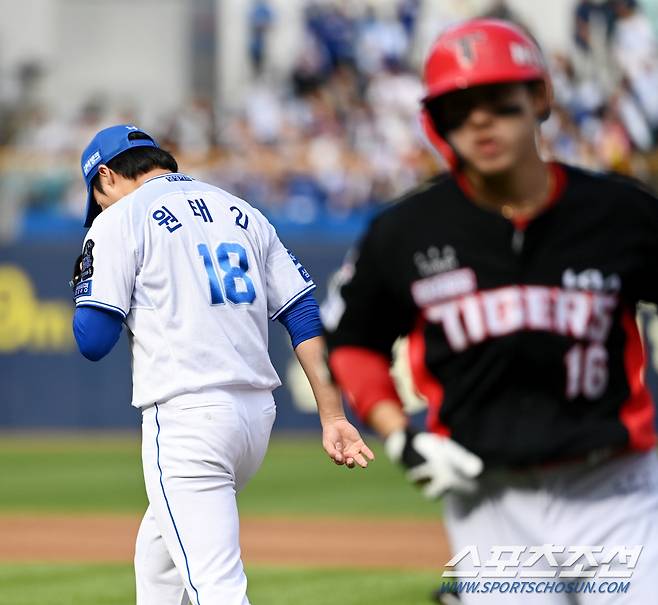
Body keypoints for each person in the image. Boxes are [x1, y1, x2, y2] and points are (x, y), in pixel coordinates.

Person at [325, 19, 658, 604]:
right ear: (436, 121)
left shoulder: (618, 213)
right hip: (489, 497)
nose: (479, 120)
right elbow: (353, 343)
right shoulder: (406, 232)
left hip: (617, 486)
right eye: (458, 107)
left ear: (540, 98)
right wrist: (400, 436)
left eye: (498, 101)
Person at [70, 124, 373, 605]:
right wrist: (333, 415)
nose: (100, 209)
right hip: (254, 421)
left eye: (97, 197)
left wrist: (91, 282)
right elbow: (303, 312)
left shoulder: (120, 219)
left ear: (106, 175)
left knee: (217, 588)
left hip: (189, 422)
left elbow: (93, 339)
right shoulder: (244, 212)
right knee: (159, 561)